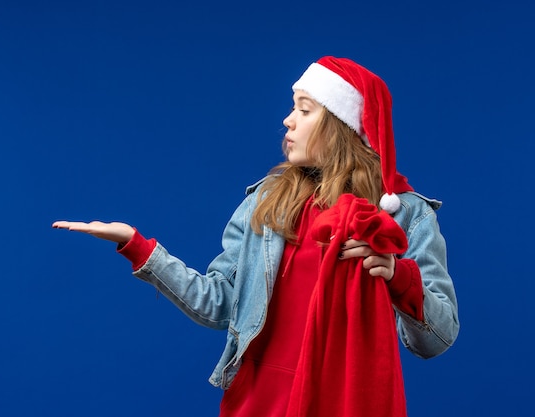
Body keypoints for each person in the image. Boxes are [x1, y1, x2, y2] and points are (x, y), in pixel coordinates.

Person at [52, 56, 459, 417]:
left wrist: (398, 275)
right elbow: (220, 304)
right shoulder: (267, 201)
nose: (288, 120)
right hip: (258, 401)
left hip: (342, 402)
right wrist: (137, 246)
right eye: (292, 107)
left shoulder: (402, 214)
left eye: (305, 109)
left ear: (341, 125)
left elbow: (438, 338)